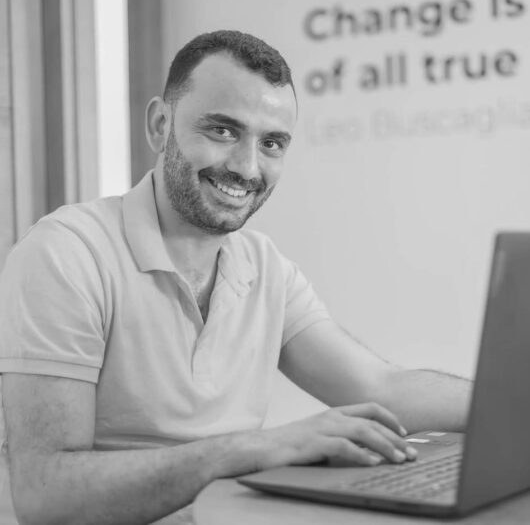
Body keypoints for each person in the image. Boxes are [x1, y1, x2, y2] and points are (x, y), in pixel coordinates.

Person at [0, 30, 471, 525]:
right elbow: (45, 495)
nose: (247, 168)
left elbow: (382, 387)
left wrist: (512, 405)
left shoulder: (265, 266)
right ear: (160, 126)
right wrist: (253, 449)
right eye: (223, 131)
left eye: (272, 143)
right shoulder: (66, 253)